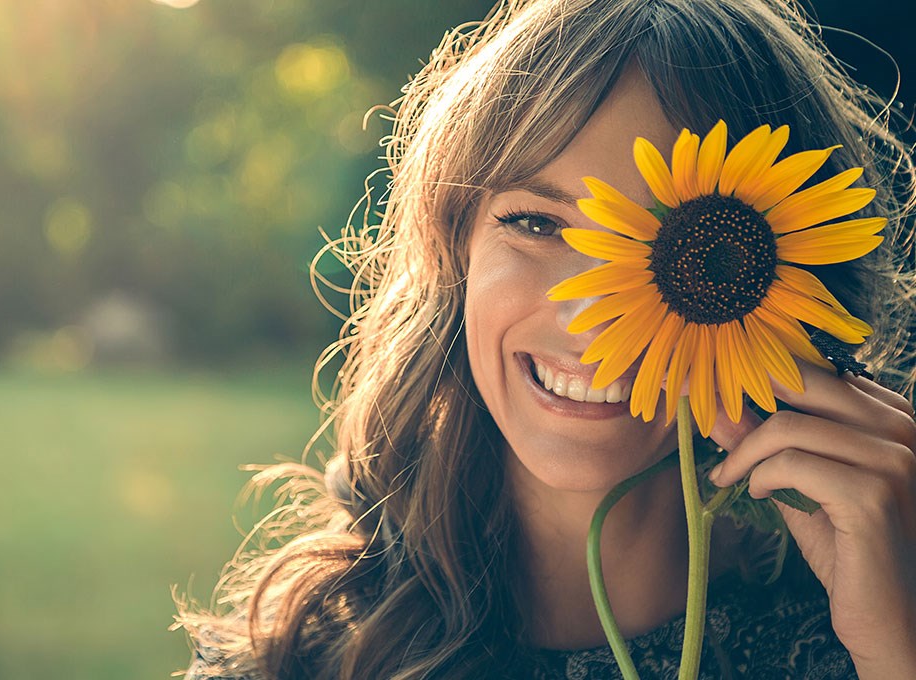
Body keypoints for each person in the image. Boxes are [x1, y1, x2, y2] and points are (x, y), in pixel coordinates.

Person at [175, 0, 916, 677]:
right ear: (453, 248)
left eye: (669, 247)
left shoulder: (866, 625)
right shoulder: (303, 660)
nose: (591, 322)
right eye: (537, 224)